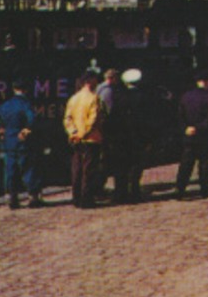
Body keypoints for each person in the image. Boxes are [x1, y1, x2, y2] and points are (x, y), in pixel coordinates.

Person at [0, 81, 42, 208]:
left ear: (13, 89)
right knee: (28, 167)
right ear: (26, 90)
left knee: (10, 169)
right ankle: (33, 196)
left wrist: (0, 130)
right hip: (23, 140)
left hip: (9, 140)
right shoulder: (26, 104)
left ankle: (11, 197)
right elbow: (32, 119)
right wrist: (25, 131)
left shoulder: (5, 105)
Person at [63, 72, 105, 208]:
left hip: (75, 139)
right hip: (90, 139)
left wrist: (73, 133)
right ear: (90, 81)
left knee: (77, 168)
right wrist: (83, 134)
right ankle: (87, 199)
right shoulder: (94, 98)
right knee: (89, 170)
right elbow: (93, 120)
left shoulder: (73, 98)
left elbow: (67, 118)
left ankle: (76, 198)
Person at [175, 72, 208, 198]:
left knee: (186, 164)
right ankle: (206, 190)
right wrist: (199, 128)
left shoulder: (186, 96)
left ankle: (180, 189)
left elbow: (180, 116)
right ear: (207, 81)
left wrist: (186, 128)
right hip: (204, 135)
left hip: (189, 135)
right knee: (205, 164)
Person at [114, 68, 149, 202]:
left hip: (121, 137)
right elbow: (146, 120)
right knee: (136, 165)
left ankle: (120, 193)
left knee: (121, 165)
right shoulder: (143, 97)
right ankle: (134, 192)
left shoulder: (118, 96)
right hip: (137, 137)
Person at [97, 68, 128, 201]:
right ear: (113, 78)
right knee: (110, 160)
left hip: (100, 130)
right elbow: (110, 112)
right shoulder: (108, 91)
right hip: (109, 131)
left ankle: (98, 187)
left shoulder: (99, 88)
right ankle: (100, 188)